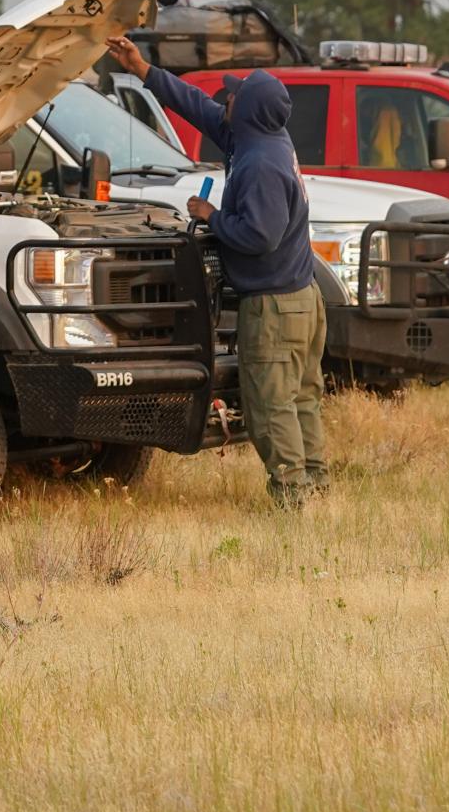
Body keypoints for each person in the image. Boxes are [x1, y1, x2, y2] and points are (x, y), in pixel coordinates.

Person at [105, 35, 324, 508]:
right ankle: (316, 484)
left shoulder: (262, 163)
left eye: (234, 95)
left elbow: (259, 236)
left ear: (244, 112)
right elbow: (198, 107)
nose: (225, 98)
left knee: (271, 404)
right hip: (302, 297)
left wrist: (210, 216)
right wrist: (144, 70)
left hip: (275, 306)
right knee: (301, 395)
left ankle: (293, 498)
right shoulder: (263, 138)